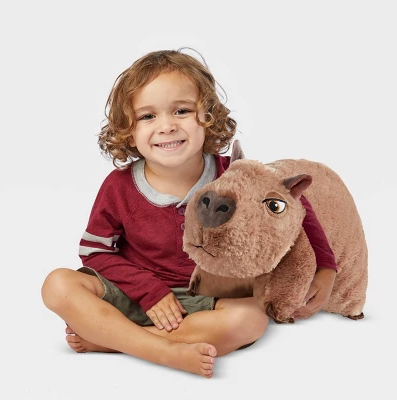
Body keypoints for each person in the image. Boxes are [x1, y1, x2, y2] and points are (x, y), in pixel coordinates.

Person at [41, 48, 337, 378]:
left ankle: (114, 340)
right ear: (128, 130)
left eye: (181, 110)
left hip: (210, 295)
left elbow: (291, 204)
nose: (167, 126)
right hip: (133, 290)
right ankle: (163, 350)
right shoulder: (119, 186)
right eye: (147, 116)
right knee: (57, 285)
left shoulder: (232, 174)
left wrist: (326, 266)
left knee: (250, 319)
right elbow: (95, 251)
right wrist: (148, 291)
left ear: (208, 116)